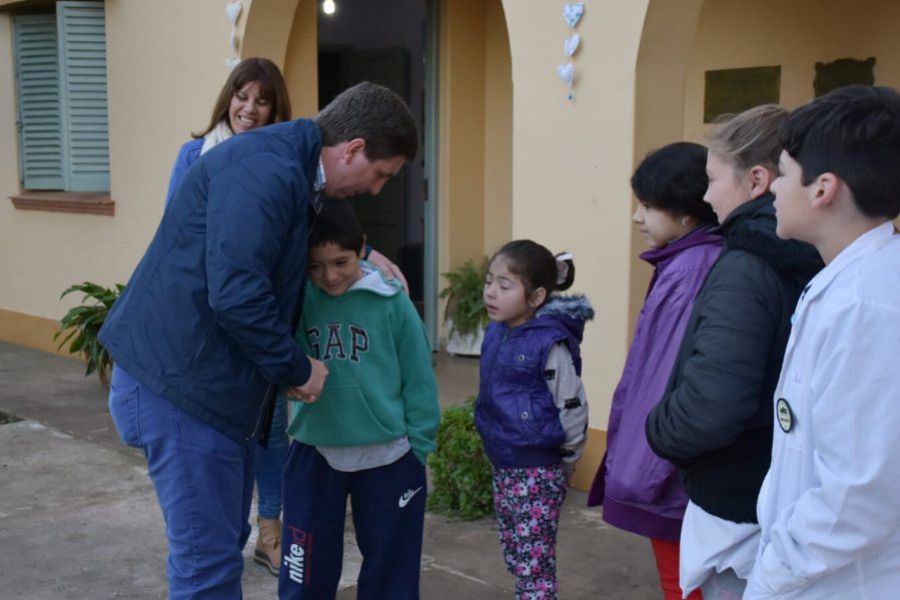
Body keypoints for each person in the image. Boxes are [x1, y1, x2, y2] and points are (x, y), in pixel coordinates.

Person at [99, 81, 418, 599]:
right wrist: (296, 368)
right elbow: (237, 295)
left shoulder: (289, 168)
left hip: (203, 386)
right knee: (208, 568)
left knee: (223, 546)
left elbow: (283, 246)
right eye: (380, 175)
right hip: (182, 388)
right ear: (354, 149)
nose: (377, 190)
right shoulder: (267, 171)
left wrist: (365, 252)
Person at [645, 105, 823, 599]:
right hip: (783, 494)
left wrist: (657, 431)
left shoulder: (747, 266)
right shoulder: (820, 253)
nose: (705, 195)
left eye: (713, 179)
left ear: (757, 180)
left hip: (738, 500)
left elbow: (711, 405)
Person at [743, 85, 900, 600]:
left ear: (823, 189)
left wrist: (772, 578)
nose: (772, 190)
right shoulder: (850, 283)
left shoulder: (867, 305)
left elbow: (857, 495)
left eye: (783, 174)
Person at [162, 56, 293, 577]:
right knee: (216, 432)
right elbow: (174, 234)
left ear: (275, 109)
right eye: (243, 96)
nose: (250, 108)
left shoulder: (283, 163)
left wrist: (368, 254)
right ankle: (223, 534)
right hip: (208, 320)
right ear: (228, 98)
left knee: (271, 427)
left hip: (263, 312)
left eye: (262, 100)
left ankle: (270, 531)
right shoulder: (193, 155)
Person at [278, 199, 440, 599]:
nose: (329, 276)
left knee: (392, 572)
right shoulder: (298, 300)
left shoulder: (393, 303)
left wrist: (418, 447)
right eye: (315, 265)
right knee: (305, 572)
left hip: (390, 457)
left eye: (341, 262)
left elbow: (419, 379)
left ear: (362, 249)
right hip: (315, 453)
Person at [586, 142, 721, 600]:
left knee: (683, 581)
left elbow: (662, 378)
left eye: (647, 206)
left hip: (671, 466)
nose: (636, 218)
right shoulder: (689, 260)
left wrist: (643, 467)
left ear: (686, 211)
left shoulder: (691, 268)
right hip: (675, 460)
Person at [476, 240, 592, 600]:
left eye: (505, 286)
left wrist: (569, 458)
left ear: (537, 296)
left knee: (534, 569)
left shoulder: (549, 344)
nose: (491, 292)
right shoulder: (497, 331)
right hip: (504, 464)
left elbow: (572, 405)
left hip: (536, 470)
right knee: (517, 554)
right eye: (489, 281)